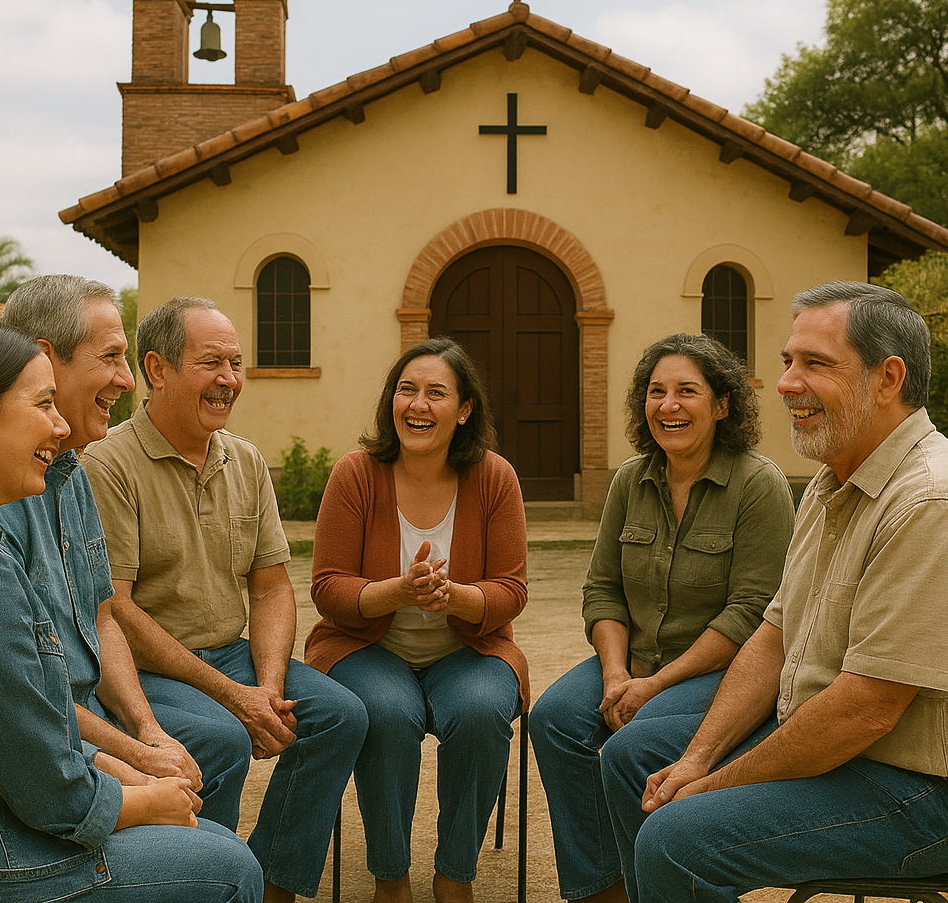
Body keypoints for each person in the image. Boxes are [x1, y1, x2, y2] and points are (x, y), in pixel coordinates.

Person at [601, 281, 948, 903]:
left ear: (887, 378)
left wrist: (716, 783)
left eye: (814, 364)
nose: (786, 382)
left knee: (677, 838)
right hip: (840, 746)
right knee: (633, 755)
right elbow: (773, 632)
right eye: (789, 361)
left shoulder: (929, 500)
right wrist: (697, 758)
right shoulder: (831, 479)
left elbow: (866, 708)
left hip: (915, 786)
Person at [0, 313, 263, 903]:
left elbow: (30, 727)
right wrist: (146, 798)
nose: (59, 425)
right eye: (43, 404)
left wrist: (134, 766)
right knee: (229, 866)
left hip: (2, 825)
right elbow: (50, 792)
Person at [82, 296, 368, 903]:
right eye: (213, 363)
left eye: (237, 364)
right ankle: (205, 880)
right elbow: (119, 611)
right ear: (156, 370)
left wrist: (265, 687)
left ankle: (267, 884)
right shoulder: (108, 464)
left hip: (235, 659)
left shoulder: (246, 458)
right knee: (225, 736)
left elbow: (270, 585)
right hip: (156, 669)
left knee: (341, 716)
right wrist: (235, 700)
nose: (230, 381)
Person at [530, 333, 794, 903]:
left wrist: (653, 685)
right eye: (656, 392)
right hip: (633, 663)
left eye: (686, 392)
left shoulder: (759, 484)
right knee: (554, 720)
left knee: (638, 740)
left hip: (714, 673)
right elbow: (602, 590)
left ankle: (654, 884)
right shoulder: (631, 479)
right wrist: (616, 673)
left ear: (723, 405)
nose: (668, 405)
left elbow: (752, 614)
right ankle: (602, 889)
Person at [0, 275, 249, 825]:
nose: (129, 379)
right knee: (228, 865)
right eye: (112, 356)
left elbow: (103, 612)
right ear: (45, 359)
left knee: (231, 746)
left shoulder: (71, 472)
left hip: (89, 713)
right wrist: (138, 760)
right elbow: (27, 696)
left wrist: (147, 728)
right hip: (52, 745)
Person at [305, 336, 528, 903]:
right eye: (407, 390)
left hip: (468, 650)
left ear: (464, 410)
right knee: (384, 712)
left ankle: (455, 877)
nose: (418, 405)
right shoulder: (356, 474)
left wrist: (453, 597)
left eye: (436, 393)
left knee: (481, 711)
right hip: (364, 648)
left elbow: (511, 590)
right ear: (391, 401)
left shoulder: (495, 477)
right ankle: (391, 878)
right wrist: (398, 592)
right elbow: (328, 589)